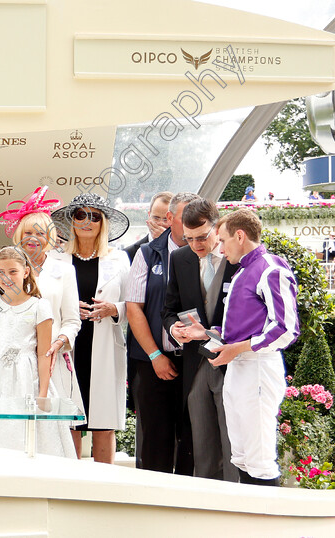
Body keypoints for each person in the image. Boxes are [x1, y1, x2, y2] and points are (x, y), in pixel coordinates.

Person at [183, 209, 299, 486]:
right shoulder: (245, 270)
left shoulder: (271, 268)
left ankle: (266, 528)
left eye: (222, 241)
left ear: (240, 235)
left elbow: (286, 328)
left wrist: (238, 349)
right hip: (240, 367)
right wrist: (207, 333)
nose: (220, 249)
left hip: (258, 367)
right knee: (242, 456)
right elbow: (243, 328)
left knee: (258, 458)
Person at [0, 246, 76, 457]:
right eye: (1, 272)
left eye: (13, 271)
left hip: (27, 379)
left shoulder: (39, 306)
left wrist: (42, 395)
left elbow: (43, 354)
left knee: (29, 436)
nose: (6, 277)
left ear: (26, 272)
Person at [51, 192, 131, 463]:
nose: (87, 221)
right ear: (71, 221)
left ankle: (103, 489)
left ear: (103, 223)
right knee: (69, 420)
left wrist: (114, 309)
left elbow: (134, 304)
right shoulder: (56, 260)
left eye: (95, 216)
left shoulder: (119, 260)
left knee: (103, 421)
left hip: (105, 342)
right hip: (69, 344)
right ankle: (71, 486)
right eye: (80, 215)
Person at [163, 199, 238, 482]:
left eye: (203, 237)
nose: (196, 245)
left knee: (233, 443)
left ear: (217, 228)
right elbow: (169, 309)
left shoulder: (237, 259)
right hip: (195, 364)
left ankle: (237, 502)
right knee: (202, 445)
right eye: (189, 238)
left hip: (231, 361)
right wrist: (174, 330)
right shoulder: (179, 258)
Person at [124, 192, 198, 474]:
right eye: (185, 218)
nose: (192, 225)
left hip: (193, 362)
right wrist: (155, 355)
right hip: (152, 362)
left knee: (192, 438)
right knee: (155, 441)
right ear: (170, 219)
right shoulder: (147, 253)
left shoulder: (206, 253)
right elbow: (134, 308)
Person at [0, 187, 82, 429]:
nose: (33, 238)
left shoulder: (65, 270)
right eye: (28, 232)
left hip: (51, 360)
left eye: (40, 233)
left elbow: (72, 320)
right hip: (14, 362)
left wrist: (59, 342)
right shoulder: (6, 269)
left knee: (51, 426)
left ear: (50, 236)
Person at [124, 191, 173, 262]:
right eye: (156, 218)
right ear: (149, 216)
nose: (160, 223)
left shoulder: (187, 249)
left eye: (166, 219)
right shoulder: (130, 253)